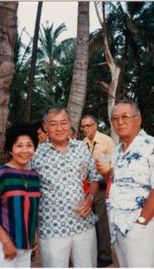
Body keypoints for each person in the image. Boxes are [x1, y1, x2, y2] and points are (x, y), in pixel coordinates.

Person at [103, 100, 154, 267]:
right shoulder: (117, 151)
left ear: (138, 119)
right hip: (117, 224)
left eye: (125, 116)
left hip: (141, 226)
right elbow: (113, 183)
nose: (120, 122)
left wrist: (141, 222)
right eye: (115, 118)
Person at [31, 105, 102, 267]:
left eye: (63, 123)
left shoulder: (81, 149)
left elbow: (94, 178)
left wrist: (90, 199)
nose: (59, 128)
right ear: (45, 127)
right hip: (52, 230)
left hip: (83, 226)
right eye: (53, 124)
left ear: (70, 124)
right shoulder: (36, 155)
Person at [0, 123, 40, 267]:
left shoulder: (34, 176)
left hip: (25, 245)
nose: (25, 150)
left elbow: (33, 211)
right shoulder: (2, 174)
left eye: (29, 145)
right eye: (19, 145)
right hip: (1, 245)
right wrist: (6, 242)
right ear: (11, 150)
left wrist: (34, 239)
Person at [81, 114, 115, 267]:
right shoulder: (82, 144)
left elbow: (113, 166)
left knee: (102, 222)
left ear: (96, 125)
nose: (85, 129)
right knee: (90, 223)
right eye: (83, 126)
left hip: (102, 187)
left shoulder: (106, 141)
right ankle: (94, 254)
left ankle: (105, 255)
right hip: (87, 189)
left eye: (88, 125)